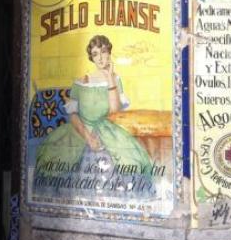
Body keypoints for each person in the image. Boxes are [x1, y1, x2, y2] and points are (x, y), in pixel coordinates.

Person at [35, 35, 153, 182]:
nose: (100, 58)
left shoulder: (115, 80)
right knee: (53, 161)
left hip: (108, 130)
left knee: (131, 162)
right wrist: (88, 137)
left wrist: (110, 79)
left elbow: (114, 111)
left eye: (103, 51)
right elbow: (73, 115)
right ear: (91, 57)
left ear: (109, 53)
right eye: (95, 54)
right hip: (80, 129)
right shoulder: (82, 81)